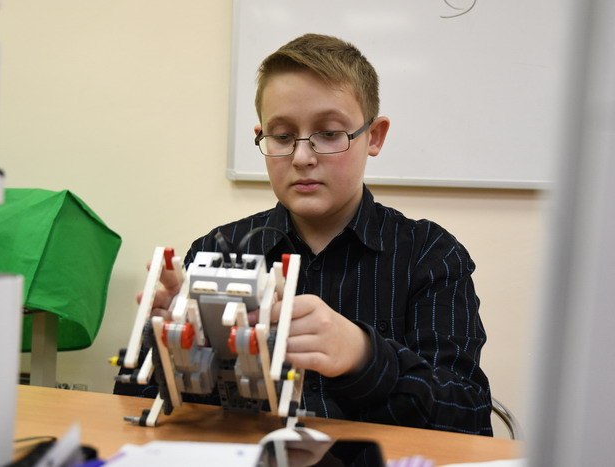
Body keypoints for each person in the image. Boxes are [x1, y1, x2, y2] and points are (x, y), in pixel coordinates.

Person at [117, 33, 492, 436]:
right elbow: (132, 403)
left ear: (374, 136)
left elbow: (468, 413)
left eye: (329, 133)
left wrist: (365, 356)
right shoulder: (216, 252)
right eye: (282, 136)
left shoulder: (429, 255)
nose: (301, 157)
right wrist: (175, 349)